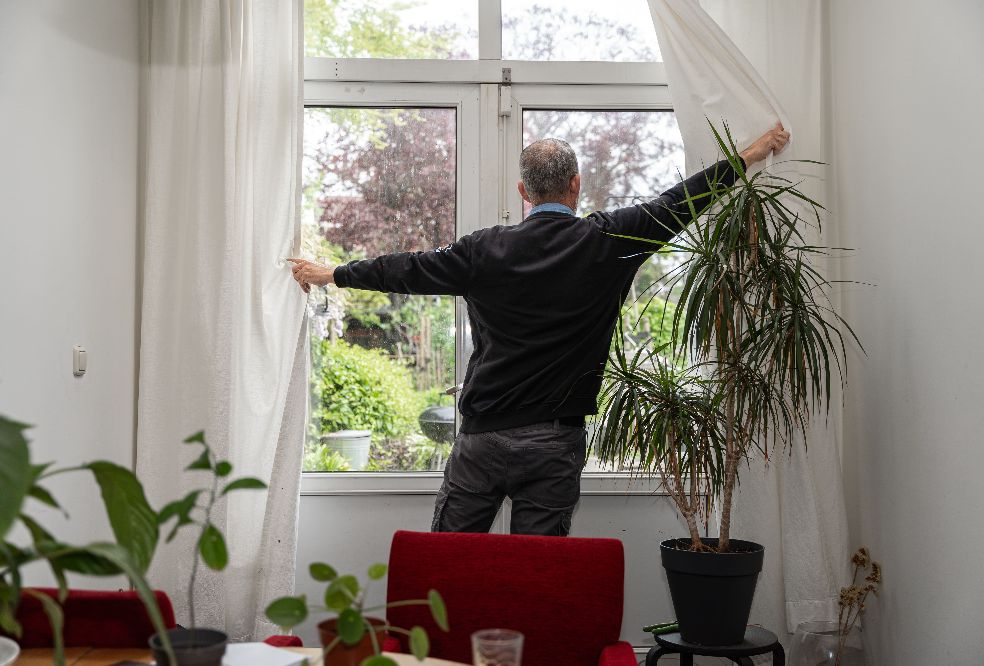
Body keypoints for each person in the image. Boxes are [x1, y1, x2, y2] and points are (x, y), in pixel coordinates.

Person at [290, 124, 789, 536]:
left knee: (445, 569)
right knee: (537, 577)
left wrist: (330, 273)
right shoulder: (608, 241)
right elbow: (681, 201)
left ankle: (443, 659)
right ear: (575, 184)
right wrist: (747, 154)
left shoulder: (483, 250)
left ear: (523, 192)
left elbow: (405, 268)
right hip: (554, 441)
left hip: (483, 438)